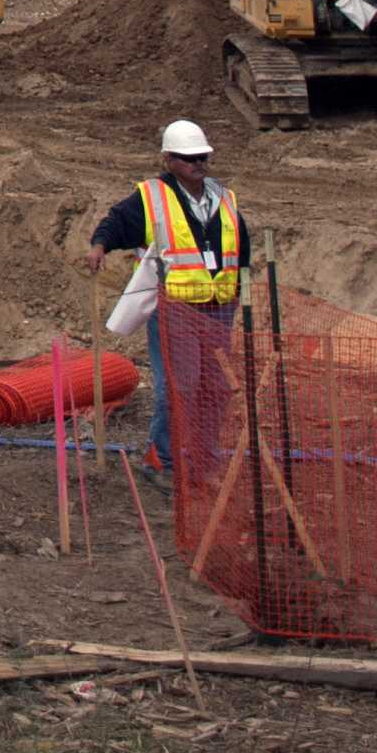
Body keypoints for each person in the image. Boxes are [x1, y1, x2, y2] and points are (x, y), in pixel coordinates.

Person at [85, 119, 248, 493]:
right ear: (168, 160)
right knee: (180, 386)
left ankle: (205, 460)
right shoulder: (152, 196)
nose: (198, 164)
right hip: (176, 309)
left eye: (202, 157)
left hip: (219, 306)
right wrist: (99, 245)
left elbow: (241, 245)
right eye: (188, 158)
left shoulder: (223, 197)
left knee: (215, 388)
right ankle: (163, 459)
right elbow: (116, 222)